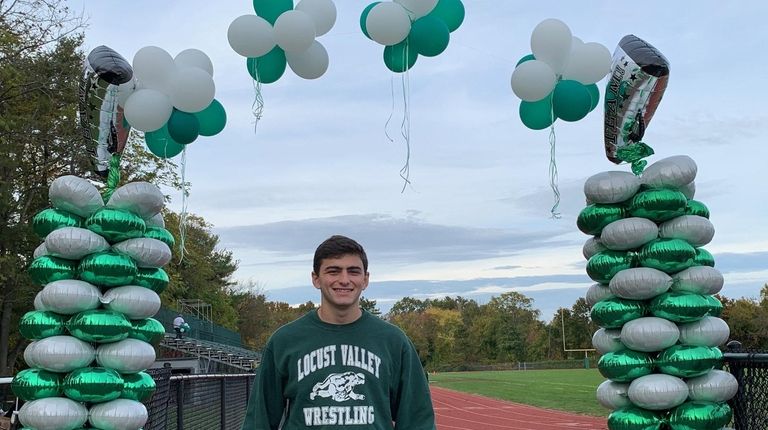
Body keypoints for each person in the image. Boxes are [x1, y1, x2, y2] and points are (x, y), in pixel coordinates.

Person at [242, 235, 435, 429]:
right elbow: (259, 421)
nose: (344, 280)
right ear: (316, 279)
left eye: (353, 271)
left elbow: (417, 421)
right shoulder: (285, 341)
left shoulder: (393, 341)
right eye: (333, 271)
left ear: (365, 279)